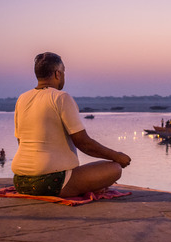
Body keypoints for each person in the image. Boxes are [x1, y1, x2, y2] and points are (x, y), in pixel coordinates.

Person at [11, 52, 131, 198]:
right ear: (57, 74)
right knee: (115, 169)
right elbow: (83, 143)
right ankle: (84, 187)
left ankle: (84, 185)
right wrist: (117, 156)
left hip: (20, 181)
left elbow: (20, 140)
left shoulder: (22, 99)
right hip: (52, 182)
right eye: (63, 72)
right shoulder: (61, 98)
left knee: (89, 173)